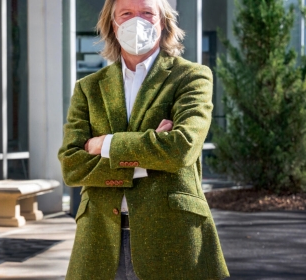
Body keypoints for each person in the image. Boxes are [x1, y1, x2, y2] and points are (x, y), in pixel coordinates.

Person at [58, 0, 229, 279]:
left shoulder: (191, 77)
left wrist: (105, 145)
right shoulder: (88, 89)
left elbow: (180, 148)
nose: (136, 20)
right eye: (126, 13)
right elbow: (72, 166)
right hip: (99, 240)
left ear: (163, 22)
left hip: (173, 238)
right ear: (113, 25)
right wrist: (150, 156)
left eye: (147, 13)